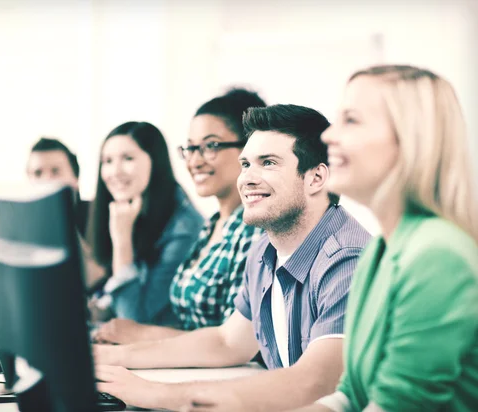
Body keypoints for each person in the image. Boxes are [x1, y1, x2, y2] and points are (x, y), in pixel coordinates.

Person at [94, 104, 372, 411]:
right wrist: (114, 357)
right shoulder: (265, 250)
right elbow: (228, 342)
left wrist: (156, 394)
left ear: (316, 178)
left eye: (267, 163)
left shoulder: (347, 261)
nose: (247, 179)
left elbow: (315, 383)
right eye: (245, 164)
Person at [288, 65, 478, 412]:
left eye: (352, 120)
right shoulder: (380, 247)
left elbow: (397, 404)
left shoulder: (437, 256)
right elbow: (352, 394)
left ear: (411, 138)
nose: (329, 136)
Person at [92, 88, 266, 344]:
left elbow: (233, 342)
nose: (194, 161)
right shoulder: (211, 227)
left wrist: (122, 240)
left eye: (211, 146)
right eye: (191, 148)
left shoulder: (249, 229)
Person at [87, 121, 204, 325]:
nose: (115, 171)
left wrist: (122, 239)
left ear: (155, 161)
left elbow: (134, 317)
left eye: (128, 158)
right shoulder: (129, 209)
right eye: (107, 161)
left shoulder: (185, 228)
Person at [0, 136, 94, 294]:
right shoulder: (20, 221)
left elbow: (97, 279)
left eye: (55, 171)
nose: (46, 180)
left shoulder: (95, 214)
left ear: (75, 180)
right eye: (38, 173)